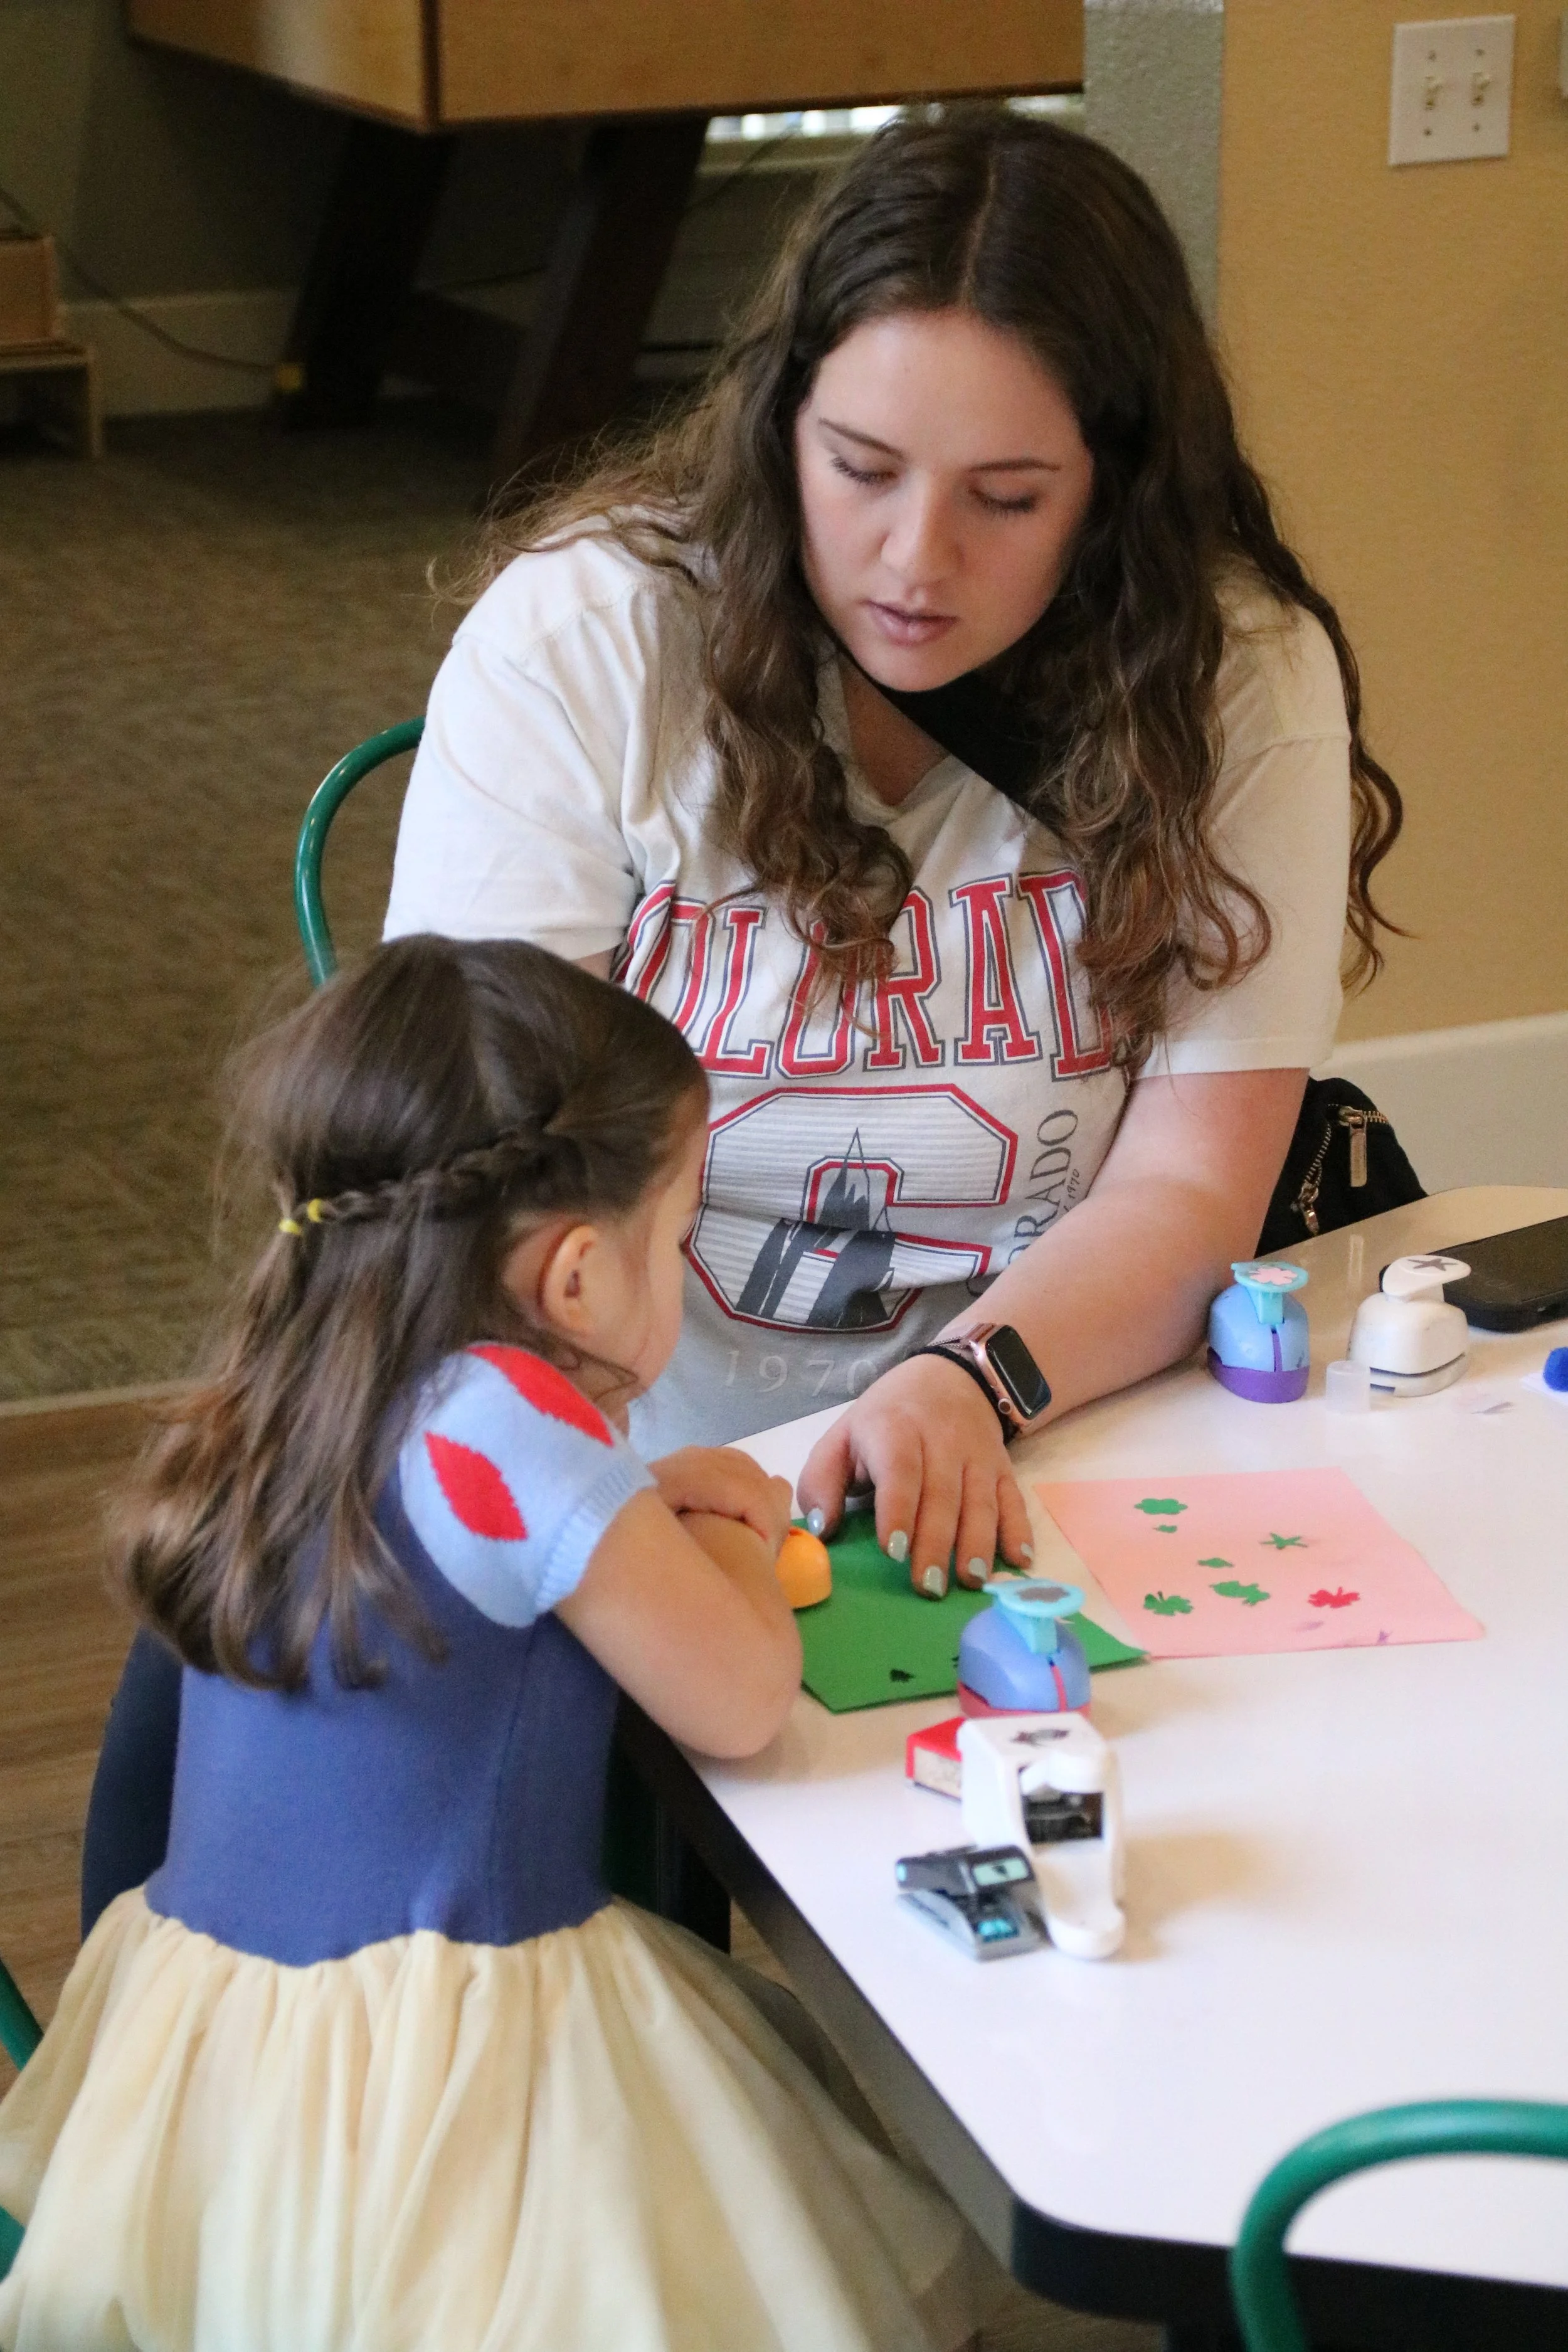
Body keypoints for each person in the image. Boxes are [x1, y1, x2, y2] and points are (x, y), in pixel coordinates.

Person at [384, 107, 1402, 1599]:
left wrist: (966, 1384)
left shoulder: (1229, 676)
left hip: (1055, 1407)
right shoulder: (586, 641)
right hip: (626, 1456)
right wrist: (598, 1492)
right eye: (859, 469)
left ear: (1115, 493)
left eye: (1005, 499)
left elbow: (1190, 1183)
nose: (915, 561)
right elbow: (474, 1178)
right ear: (776, 423)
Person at [0, 937, 979, 2352]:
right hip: (452, 2054)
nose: (686, 1270)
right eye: (682, 1232)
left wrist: (630, 1515)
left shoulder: (292, 1378)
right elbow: (741, 1694)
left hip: (213, 2040)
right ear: (576, 1278)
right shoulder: (515, 1426)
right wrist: (738, 1531)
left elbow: (460, 1566)